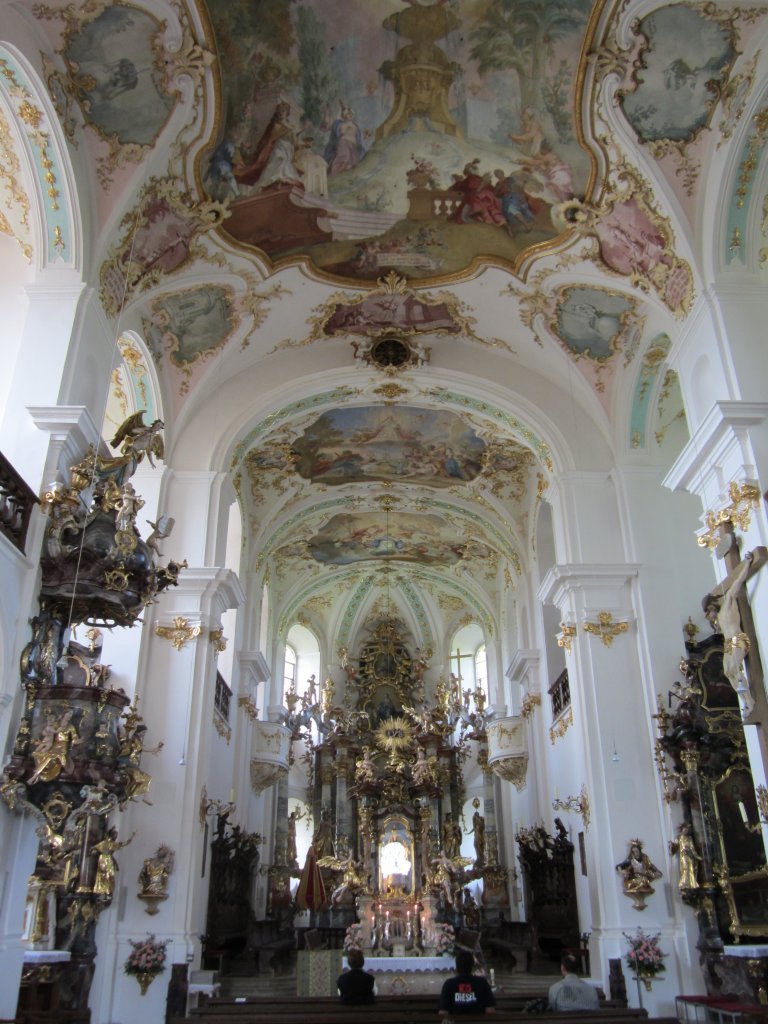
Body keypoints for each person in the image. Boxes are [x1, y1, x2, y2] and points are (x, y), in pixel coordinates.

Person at [438, 949, 496, 1017]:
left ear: (457, 966)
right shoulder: (482, 983)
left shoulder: (449, 984)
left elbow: (443, 1012)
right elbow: (490, 1011)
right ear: (472, 966)